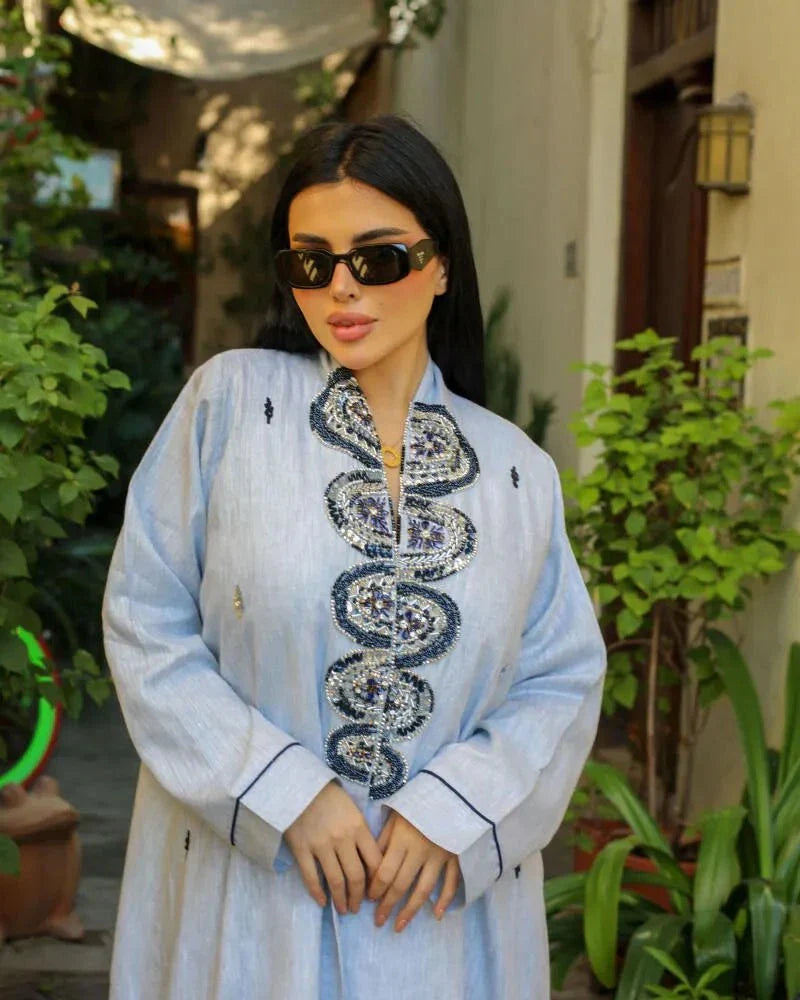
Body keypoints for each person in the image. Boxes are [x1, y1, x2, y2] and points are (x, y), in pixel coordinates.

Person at [102, 112, 606, 1000]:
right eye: (310, 261)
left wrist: (454, 812)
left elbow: (560, 676)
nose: (343, 289)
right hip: (247, 902)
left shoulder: (516, 475)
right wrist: (282, 790)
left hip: (437, 917)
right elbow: (147, 623)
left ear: (441, 263)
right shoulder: (227, 407)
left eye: (377, 258)